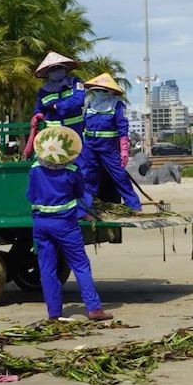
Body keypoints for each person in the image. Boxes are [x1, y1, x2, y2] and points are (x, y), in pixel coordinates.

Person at [27, 124, 113, 323]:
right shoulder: (71, 170)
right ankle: (94, 309)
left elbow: (29, 194)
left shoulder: (35, 169)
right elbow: (82, 194)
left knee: (47, 268)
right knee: (80, 265)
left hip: (40, 223)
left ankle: (54, 313)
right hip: (64, 224)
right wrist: (85, 213)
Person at [80, 73, 142, 211]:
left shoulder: (117, 104)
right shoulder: (90, 103)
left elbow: (122, 128)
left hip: (109, 148)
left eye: (103, 90)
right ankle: (90, 205)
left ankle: (134, 205)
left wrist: (124, 150)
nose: (100, 93)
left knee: (119, 176)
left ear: (110, 92)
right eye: (97, 90)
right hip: (90, 146)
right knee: (89, 175)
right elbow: (83, 124)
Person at [30, 52, 86, 138]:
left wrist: (57, 106)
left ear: (65, 69)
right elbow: (39, 108)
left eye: (59, 67)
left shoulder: (75, 82)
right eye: (52, 69)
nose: (56, 71)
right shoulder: (43, 90)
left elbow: (79, 100)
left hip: (75, 130)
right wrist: (38, 115)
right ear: (48, 73)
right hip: (52, 133)